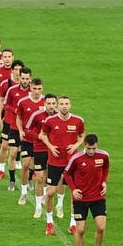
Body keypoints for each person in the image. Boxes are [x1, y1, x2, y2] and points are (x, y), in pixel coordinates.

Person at [39, 95, 85, 236]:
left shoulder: (78, 121)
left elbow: (82, 136)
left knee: (74, 193)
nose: (64, 106)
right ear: (58, 106)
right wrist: (51, 147)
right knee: (51, 192)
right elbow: (42, 135)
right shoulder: (50, 121)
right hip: (54, 162)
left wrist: (76, 145)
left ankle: (72, 223)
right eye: (62, 104)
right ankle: (49, 222)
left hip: (71, 164)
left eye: (66, 104)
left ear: (70, 105)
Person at [63, 133, 109, 246]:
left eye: (93, 148)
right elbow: (67, 174)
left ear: (97, 145)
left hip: (98, 197)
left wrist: (104, 181)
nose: (91, 151)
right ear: (85, 145)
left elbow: (105, 168)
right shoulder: (76, 158)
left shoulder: (104, 156)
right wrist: (74, 189)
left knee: (101, 227)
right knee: (81, 229)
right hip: (81, 199)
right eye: (89, 148)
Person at [26, 93, 58, 218]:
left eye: (53, 104)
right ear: (44, 104)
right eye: (48, 103)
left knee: (50, 178)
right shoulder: (37, 115)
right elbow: (28, 130)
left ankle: (48, 199)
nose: (51, 106)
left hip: (54, 151)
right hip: (39, 149)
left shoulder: (59, 117)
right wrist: (37, 136)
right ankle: (38, 206)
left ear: (56, 104)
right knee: (40, 178)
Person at [15, 77, 46, 206]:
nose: (37, 91)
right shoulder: (23, 102)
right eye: (34, 89)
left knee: (41, 169)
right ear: (30, 88)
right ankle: (23, 192)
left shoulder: (46, 103)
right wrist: (21, 131)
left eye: (39, 89)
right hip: (27, 139)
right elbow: (19, 118)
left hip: (41, 142)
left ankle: (43, 193)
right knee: (25, 164)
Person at [2, 66, 33, 191]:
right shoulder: (12, 90)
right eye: (23, 78)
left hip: (29, 130)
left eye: (27, 78)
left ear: (30, 79)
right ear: (19, 77)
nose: (25, 81)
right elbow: (6, 104)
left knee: (30, 159)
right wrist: (15, 110)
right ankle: (12, 180)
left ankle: (29, 178)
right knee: (13, 153)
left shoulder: (33, 91)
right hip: (14, 126)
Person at [0, 59, 24, 179]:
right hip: (9, 121)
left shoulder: (29, 86)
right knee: (4, 146)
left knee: (22, 147)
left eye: (19, 70)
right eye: (15, 69)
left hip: (23, 123)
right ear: (12, 71)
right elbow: (2, 101)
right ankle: (1, 169)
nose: (17, 72)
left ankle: (18, 160)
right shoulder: (6, 84)